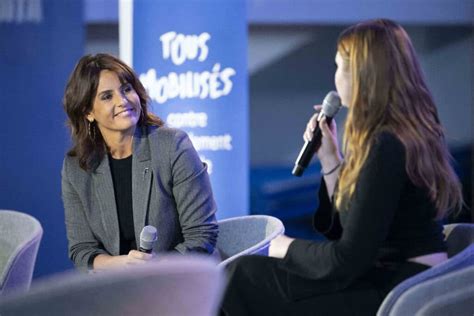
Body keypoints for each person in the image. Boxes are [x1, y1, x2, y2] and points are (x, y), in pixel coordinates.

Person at [221, 19, 463, 315]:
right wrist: (330, 159)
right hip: (392, 275)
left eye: (340, 67)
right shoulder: (407, 132)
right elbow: (348, 230)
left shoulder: (387, 144)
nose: (335, 79)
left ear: (363, 74)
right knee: (248, 273)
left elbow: (347, 257)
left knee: (243, 275)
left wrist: (281, 246)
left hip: (399, 285)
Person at [62, 53, 218, 271]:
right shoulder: (77, 167)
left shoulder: (173, 146)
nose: (122, 101)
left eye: (126, 89)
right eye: (107, 96)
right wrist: (120, 265)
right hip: (116, 286)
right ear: (88, 112)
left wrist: (149, 270)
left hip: (179, 278)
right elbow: (82, 250)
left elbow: (202, 235)